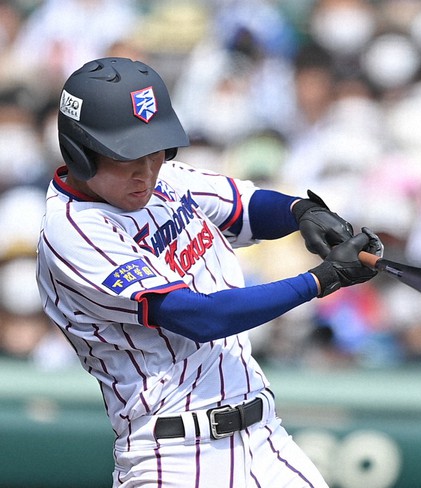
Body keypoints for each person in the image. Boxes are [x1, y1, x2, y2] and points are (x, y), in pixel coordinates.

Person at [36, 57, 383, 487]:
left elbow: (246, 207)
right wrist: (320, 280)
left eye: (155, 150)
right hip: (177, 456)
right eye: (128, 156)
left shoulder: (165, 181)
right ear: (81, 152)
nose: (146, 171)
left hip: (264, 438)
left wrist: (302, 211)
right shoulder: (71, 230)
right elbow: (200, 317)